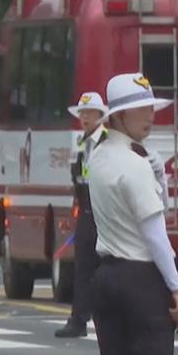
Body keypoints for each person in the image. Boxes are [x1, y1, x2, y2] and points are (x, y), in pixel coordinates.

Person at [87, 73, 178, 355]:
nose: (150, 116)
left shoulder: (99, 158)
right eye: (140, 110)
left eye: (150, 108)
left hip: (106, 276)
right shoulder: (134, 166)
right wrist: (177, 289)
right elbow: (154, 234)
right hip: (141, 279)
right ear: (118, 117)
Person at [55, 92, 109, 338]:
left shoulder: (106, 141)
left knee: (108, 266)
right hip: (86, 207)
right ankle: (79, 319)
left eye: (89, 113)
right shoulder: (81, 143)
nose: (84, 118)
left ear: (100, 115)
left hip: (105, 209)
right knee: (83, 266)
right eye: (82, 113)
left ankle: (105, 318)